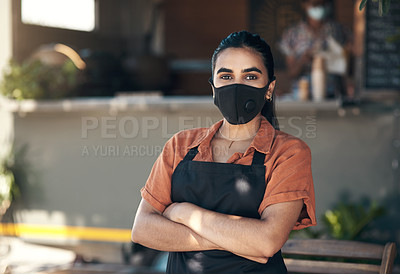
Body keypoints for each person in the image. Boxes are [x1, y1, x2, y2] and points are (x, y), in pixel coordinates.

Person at [132, 31, 316, 273]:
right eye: (226, 76)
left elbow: (267, 241)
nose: (237, 86)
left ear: (269, 88)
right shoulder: (180, 145)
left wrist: (185, 213)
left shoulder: (288, 153)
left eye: (250, 76)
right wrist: (241, 242)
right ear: (213, 88)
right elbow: (143, 229)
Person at [279, 0, 353, 100]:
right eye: (315, 4)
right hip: (302, 95)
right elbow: (292, 73)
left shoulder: (337, 30)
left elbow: (352, 54)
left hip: (333, 94)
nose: (319, 8)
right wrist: (303, 61)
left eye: (322, 4)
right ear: (304, 5)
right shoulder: (292, 34)